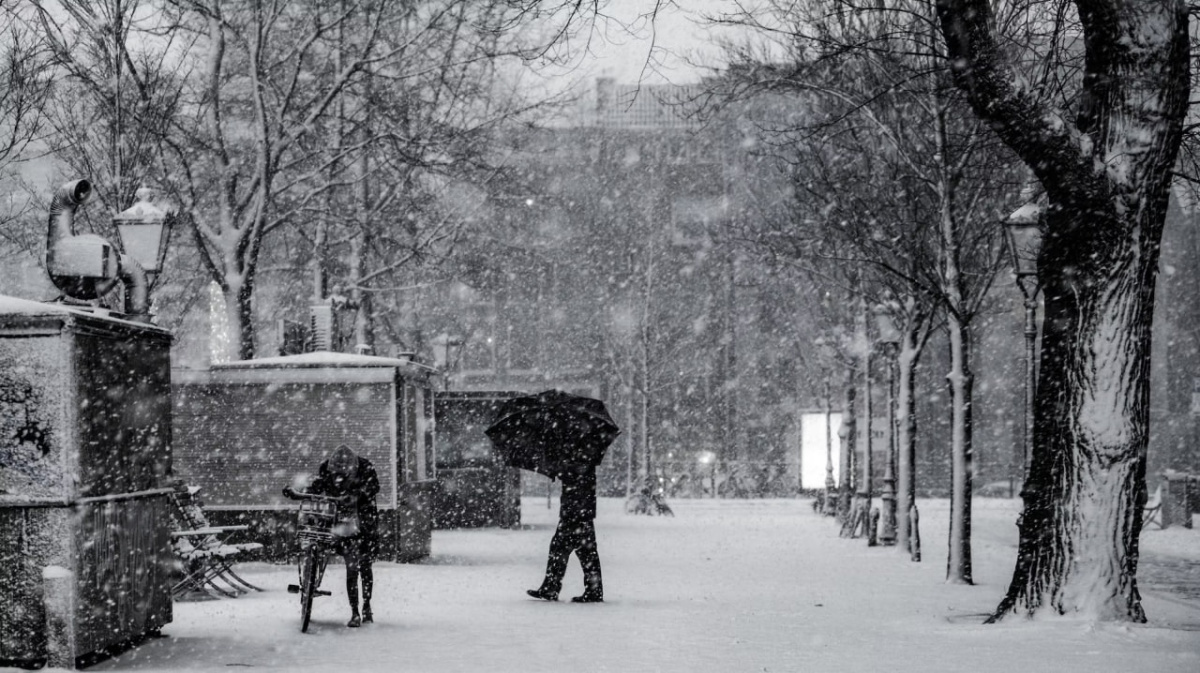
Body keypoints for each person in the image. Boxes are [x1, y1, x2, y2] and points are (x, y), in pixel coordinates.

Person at [305, 444, 380, 627]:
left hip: (363, 521)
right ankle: (355, 610)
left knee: (365, 565)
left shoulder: (366, 468)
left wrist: (357, 496)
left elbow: (373, 487)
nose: (341, 476)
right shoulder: (326, 469)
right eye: (337, 472)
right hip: (342, 521)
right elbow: (318, 485)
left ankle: (366, 606)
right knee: (352, 567)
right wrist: (307, 491)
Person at [527, 463, 603, 603]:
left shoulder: (577, 456)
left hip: (575, 510)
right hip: (580, 509)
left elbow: (576, 476)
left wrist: (561, 471)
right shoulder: (583, 455)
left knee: (560, 548)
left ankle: (551, 587)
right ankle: (593, 590)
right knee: (586, 551)